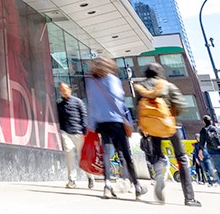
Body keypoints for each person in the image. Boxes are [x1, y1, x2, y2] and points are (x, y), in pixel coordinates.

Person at [135, 62, 201, 207]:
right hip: (169, 125)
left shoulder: (140, 87)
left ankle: (159, 177)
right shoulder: (167, 85)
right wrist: (172, 113)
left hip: (151, 128)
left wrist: (142, 127)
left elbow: (138, 109)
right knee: (181, 158)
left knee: (157, 155)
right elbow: (181, 106)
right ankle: (189, 198)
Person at [86, 56, 146, 200]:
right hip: (116, 121)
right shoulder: (112, 79)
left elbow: (91, 104)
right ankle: (137, 186)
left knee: (106, 154)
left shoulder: (91, 82)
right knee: (125, 153)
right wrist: (126, 119)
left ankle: (107, 185)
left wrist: (91, 124)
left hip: (101, 123)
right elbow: (118, 98)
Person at [57, 82, 94, 189]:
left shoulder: (78, 102)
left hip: (78, 132)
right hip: (65, 132)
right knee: (69, 153)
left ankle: (90, 177)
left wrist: (85, 129)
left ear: (70, 89)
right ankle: (72, 180)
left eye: (64, 89)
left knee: (83, 157)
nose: (62, 91)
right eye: (61, 90)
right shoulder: (59, 105)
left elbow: (84, 115)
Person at [197, 114, 220, 185]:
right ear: (211, 121)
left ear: (204, 122)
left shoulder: (203, 130)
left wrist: (200, 151)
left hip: (212, 151)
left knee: (218, 168)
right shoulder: (217, 128)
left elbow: (202, 142)